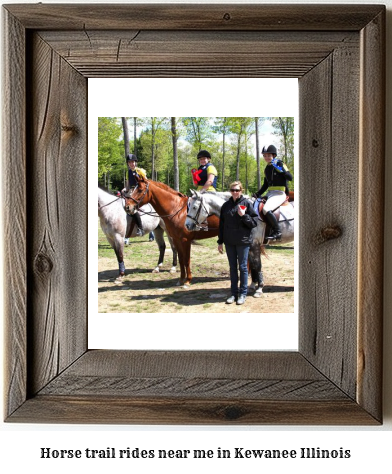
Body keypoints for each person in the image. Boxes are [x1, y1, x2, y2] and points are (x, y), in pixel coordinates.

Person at [217, 181, 258, 305]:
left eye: (237, 190)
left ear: (241, 191)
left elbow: (254, 223)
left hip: (243, 241)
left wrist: (244, 215)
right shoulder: (225, 206)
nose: (235, 192)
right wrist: (220, 241)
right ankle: (233, 294)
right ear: (230, 191)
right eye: (233, 190)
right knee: (232, 268)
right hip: (229, 242)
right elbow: (221, 225)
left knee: (243, 268)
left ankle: (243, 294)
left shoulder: (247, 204)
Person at [253, 144, 293, 241]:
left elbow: (290, 177)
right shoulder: (267, 168)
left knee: (266, 209)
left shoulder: (279, 163)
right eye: (265, 155)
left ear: (274, 155)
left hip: (279, 193)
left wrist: (281, 170)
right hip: (270, 193)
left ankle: (277, 231)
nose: (266, 157)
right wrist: (258, 193)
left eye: (268, 155)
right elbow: (266, 184)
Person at [123, 153, 147, 236]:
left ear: (135, 162)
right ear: (128, 164)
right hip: (132, 191)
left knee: (132, 209)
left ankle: (141, 228)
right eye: (129, 162)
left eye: (133, 162)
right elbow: (128, 182)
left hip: (139, 192)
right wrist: (125, 188)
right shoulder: (128, 172)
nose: (131, 164)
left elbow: (146, 182)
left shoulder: (140, 171)